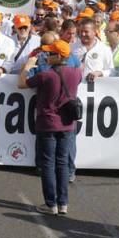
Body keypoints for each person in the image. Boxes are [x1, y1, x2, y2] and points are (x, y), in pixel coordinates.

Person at [18, 40, 82, 214]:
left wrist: (28, 66)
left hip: (47, 123)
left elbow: (21, 83)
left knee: (48, 163)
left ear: (59, 56)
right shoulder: (76, 73)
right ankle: (63, 203)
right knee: (62, 163)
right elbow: (79, 74)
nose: (47, 56)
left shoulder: (46, 75)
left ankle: (51, 204)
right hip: (67, 124)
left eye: (50, 53)